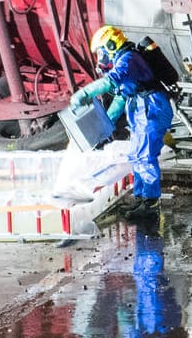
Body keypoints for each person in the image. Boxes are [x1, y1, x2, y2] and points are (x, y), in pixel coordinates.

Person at [69, 25, 174, 218]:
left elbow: (110, 82)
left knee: (145, 157)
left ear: (110, 44)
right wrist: (105, 124)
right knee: (136, 155)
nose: (101, 58)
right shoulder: (126, 60)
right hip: (142, 108)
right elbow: (120, 97)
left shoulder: (129, 59)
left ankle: (150, 203)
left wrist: (83, 94)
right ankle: (141, 198)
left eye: (101, 52)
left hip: (151, 109)